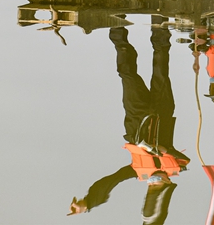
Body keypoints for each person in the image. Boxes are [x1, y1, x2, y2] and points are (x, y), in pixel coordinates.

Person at [68, 21, 188, 224]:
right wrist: (162, 149)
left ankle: (116, 26)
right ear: (167, 183)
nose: (155, 181)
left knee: (127, 74)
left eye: (152, 185)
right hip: (163, 112)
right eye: (159, 183)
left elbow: (110, 182)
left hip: (136, 117)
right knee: (160, 64)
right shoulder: (177, 165)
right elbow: (182, 159)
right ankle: (159, 23)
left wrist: (88, 203)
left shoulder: (136, 170)